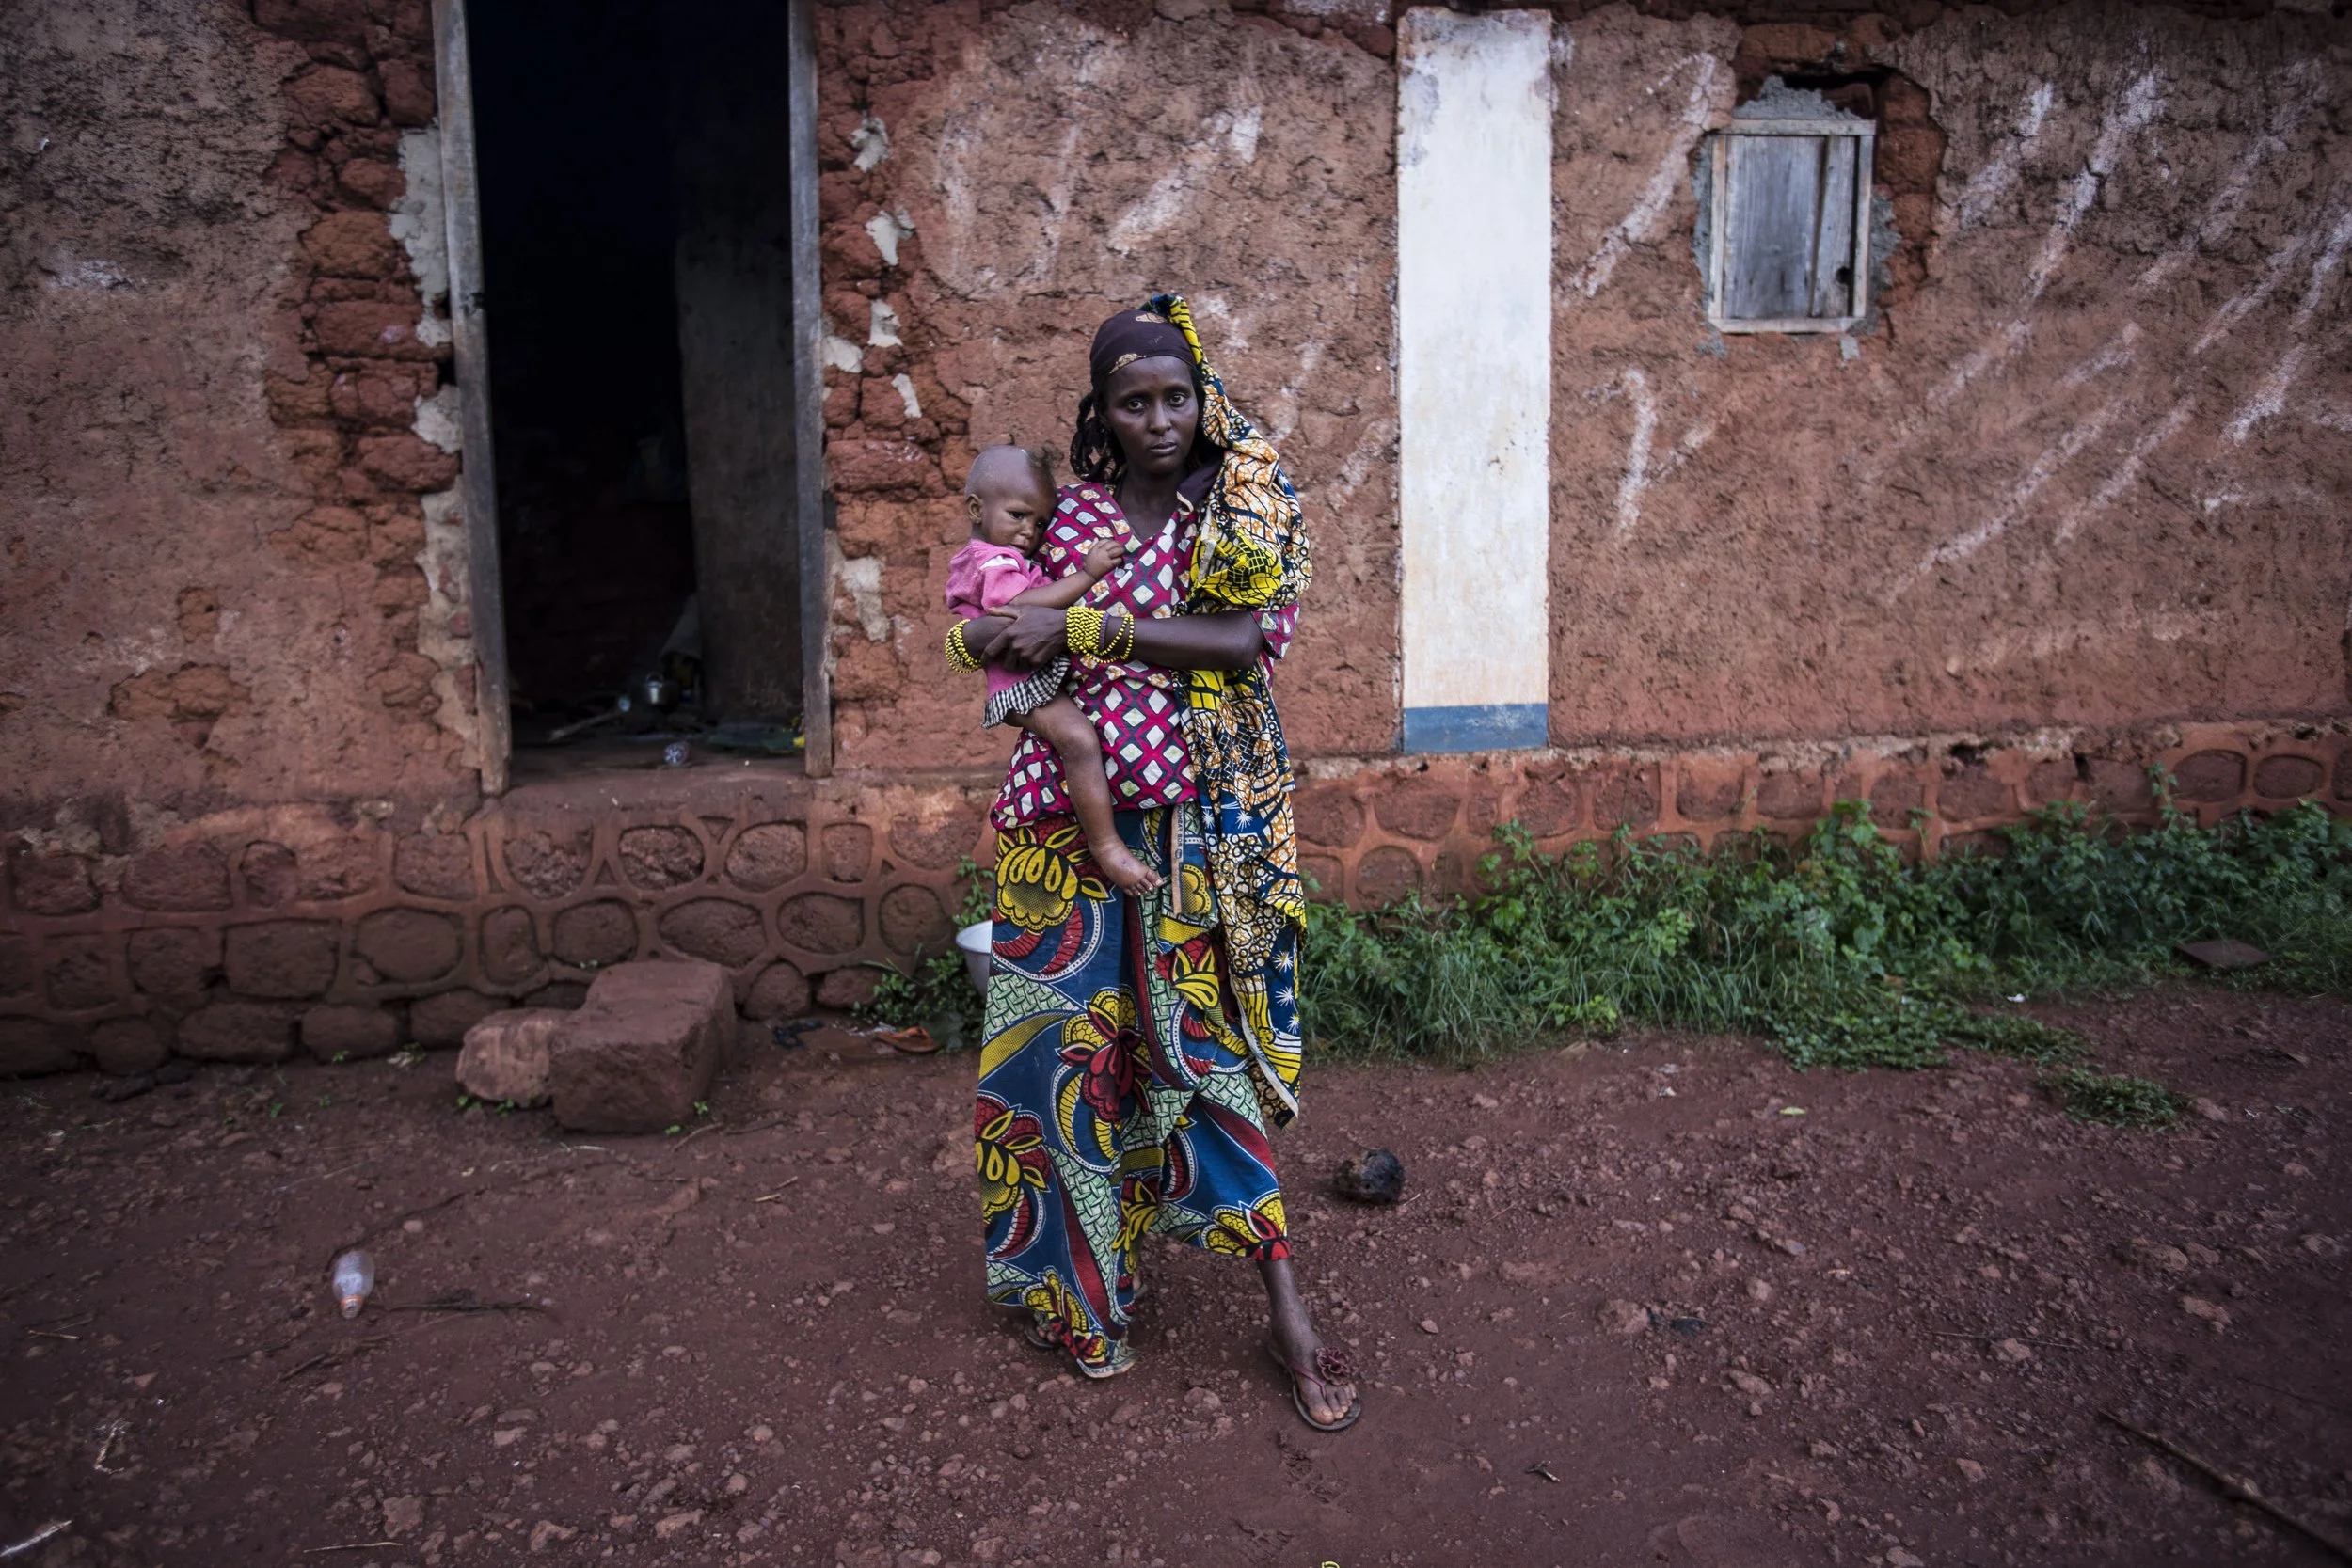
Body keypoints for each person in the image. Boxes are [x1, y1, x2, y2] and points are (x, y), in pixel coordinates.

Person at [947, 298, 1359, 1432]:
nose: (1161, 418)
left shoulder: (1234, 514)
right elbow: (986, 620)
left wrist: (1082, 634)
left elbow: (1238, 642)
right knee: (1056, 1062)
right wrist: (977, 635)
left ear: (1201, 398)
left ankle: (1285, 1307)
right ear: (1104, 414)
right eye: (1135, 401)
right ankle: (1085, 1299)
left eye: (1176, 395)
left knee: (1203, 1054)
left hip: (1192, 830)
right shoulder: (1070, 516)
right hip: (1055, 829)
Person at [942, 444, 1161, 895]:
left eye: (1040, 523)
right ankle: (1108, 848)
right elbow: (1016, 607)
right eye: (1018, 515)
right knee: (1079, 741)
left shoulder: (1002, 556)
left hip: (1028, 679)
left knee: (1081, 741)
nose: (1029, 532)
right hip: (1020, 684)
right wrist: (1087, 574)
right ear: (976, 508)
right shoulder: (991, 560)